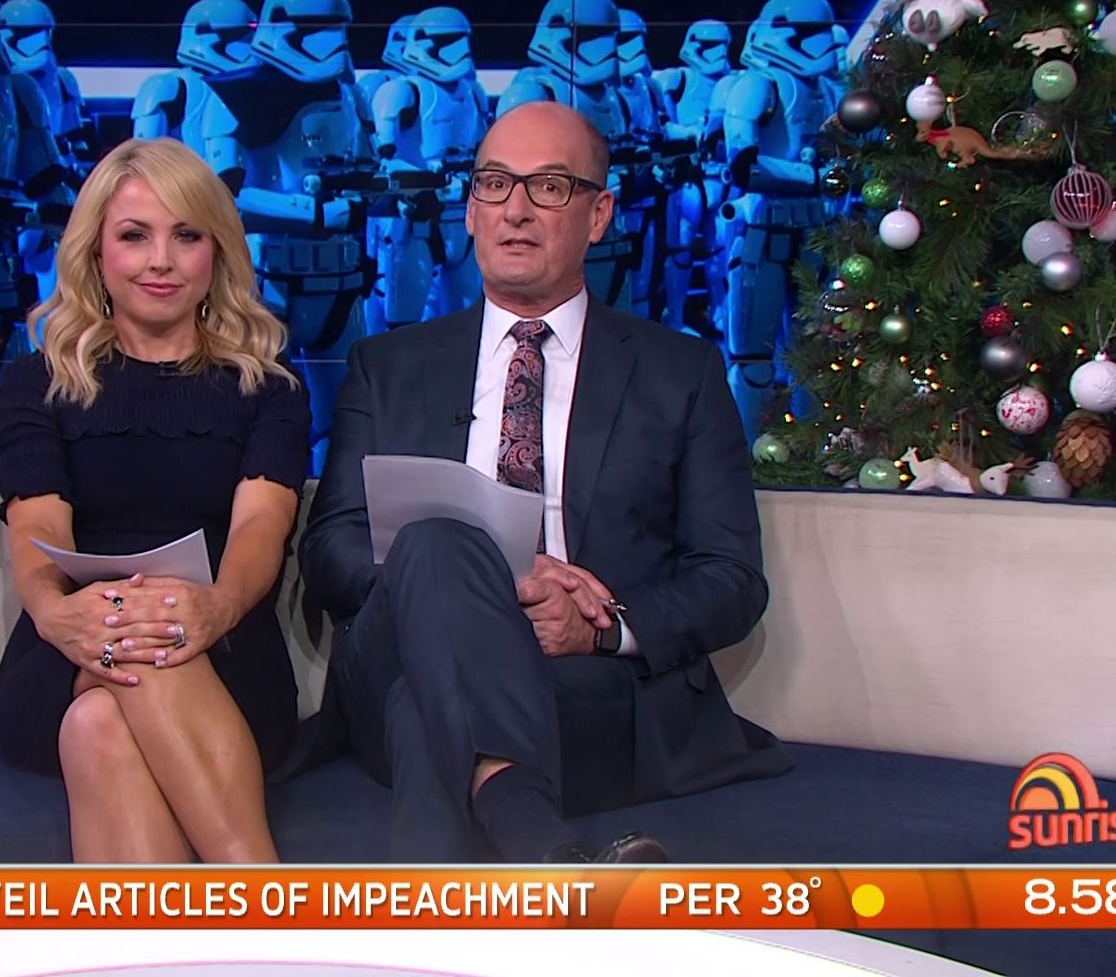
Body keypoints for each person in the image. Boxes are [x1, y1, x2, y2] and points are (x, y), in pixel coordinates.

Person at [300, 102, 791, 864]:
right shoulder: (388, 366)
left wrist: (600, 628)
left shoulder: (680, 373)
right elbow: (330, 549)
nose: (516, 209)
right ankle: (546, 853)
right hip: (404, 643)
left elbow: (731, 580)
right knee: (437, 540)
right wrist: (489, 580)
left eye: (550, 187)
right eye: (494, 184)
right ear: (470, 210)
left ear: (599, 216)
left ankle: (521, 851)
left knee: (424, 710)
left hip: (582, 680)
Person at [0, 138, 311, 864]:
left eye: (186, 236)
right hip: (72, 647)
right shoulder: (39, 381)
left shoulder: (268, 384)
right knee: (136, 652)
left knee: (100, 722)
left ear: (216, 252)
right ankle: (268, 898)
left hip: (224, 649)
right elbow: (37, 525)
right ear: (97, 252)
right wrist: (55, 616)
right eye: (135, 236)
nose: (160, 260)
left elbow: (263, 524)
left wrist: (218, 606)